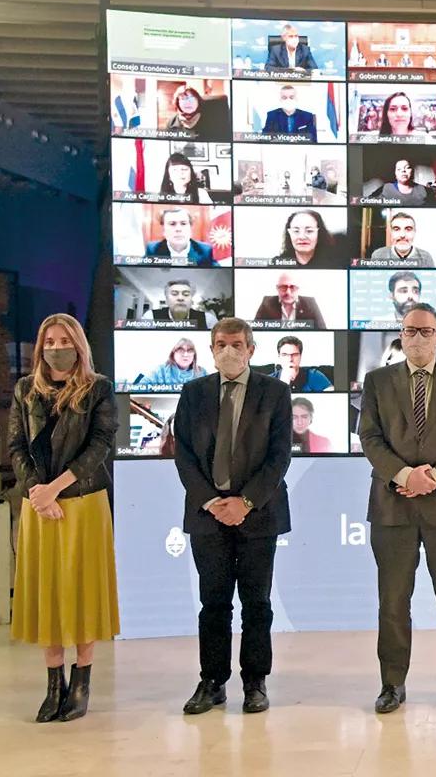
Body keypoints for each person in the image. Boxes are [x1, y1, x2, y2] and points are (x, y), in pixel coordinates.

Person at [359, 303, 436, 712]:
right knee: (393, 599)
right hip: (393, 506)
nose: (416, 338)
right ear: (401, 334)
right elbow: (370, 438)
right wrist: (404, 475)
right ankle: (392, 684)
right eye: (410, 331)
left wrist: (432, 476)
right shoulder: (376, 381)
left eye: (425, 331)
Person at [172, 318, 292, 715]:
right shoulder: (193, 393)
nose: (229, 350)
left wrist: (245, 502)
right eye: (220, 343)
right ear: (211, 349)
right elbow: (184, 454)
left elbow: (279, 457)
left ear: (252, 350)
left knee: (257, 602)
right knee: (214, 602)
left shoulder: (275, 393)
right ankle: (212, 682)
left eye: (237, 344)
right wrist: (210, 501)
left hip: (259, 513)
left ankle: (255, 682)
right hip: (208, 516)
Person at [9, 314, 119, 723]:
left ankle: (82, 680)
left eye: (65, 339)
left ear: (79, 344)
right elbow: (16, 445)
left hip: (83, 502)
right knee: (47, 593)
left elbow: (101, 444)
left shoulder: (98, 389)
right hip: (40, 506)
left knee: (83, 590)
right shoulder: (25, 390)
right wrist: (38, 492)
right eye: (50, 340)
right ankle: (53, 683)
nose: (57, 346)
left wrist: (56, 488)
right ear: (41, 347)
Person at [253, 271, 328, 329]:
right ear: (277, 288)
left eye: (292, 287)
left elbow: (323, 330)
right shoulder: (267, 303)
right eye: (283, 287)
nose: (288, 292)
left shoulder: (310, 303)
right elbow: (255, 329)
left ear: (298, 289)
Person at [145, 208, 218, 266]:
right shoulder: (153, 250)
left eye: (183, 223)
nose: (178, 229)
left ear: (190, 228)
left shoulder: (204, 250)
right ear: (163, 229)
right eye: (172, 224)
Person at [141, 279, 218, 329]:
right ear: (167, 299)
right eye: (174, 294)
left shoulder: (208, 319)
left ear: (191, 300)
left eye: (186, 294)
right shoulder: (150, 317)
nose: (180, 298)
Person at [277, 209, 341, 267]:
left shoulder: (336, 263)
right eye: (296, 231)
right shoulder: (278, 263)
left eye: (309, 231)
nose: (302, 237)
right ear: (289, 233)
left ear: (319, 233)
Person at [369, 210, 436, 265]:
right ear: (390, 233)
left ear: (414, 232)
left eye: (408, 229)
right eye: (396, 229)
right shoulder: (378, 255)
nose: (402, 235)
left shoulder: (426, 257)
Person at [165, 86, 230, 139]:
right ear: (177, 103)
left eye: (191, 98)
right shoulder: (171, 122)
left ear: (198, 101)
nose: (188, 102)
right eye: (183, 99)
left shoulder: (213, 118)